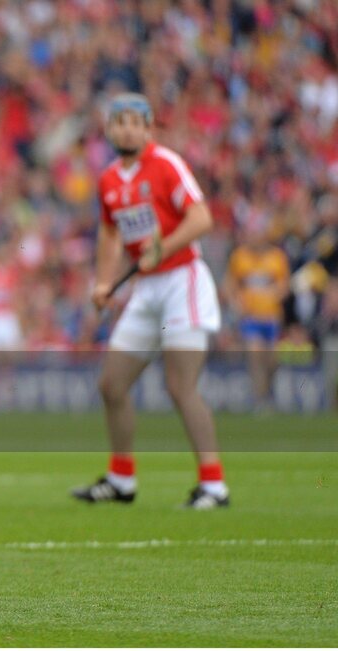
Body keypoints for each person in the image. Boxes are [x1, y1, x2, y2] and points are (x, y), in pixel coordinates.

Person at [72, 93, 229, 510]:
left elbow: (201, 218)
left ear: (148, 128)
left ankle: (213, 485)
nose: (125, 128)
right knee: (112, 384)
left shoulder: (166, 164)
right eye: (117, 121)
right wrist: (104, 282)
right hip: (146, 288)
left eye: (133, 121)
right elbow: (109, 234)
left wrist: (164, 246)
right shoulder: (108, 179)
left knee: (180, 386)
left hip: (183, 281)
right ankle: (121, 479)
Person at [224, 218, 290, 410]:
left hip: (271, 316)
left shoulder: (277, 256)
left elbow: (285, 285)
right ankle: (260, 399)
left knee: (272, 360)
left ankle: (267, 392)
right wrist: (236, 302)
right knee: (255, 354)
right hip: (250, 317)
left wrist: (273, 293)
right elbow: (229, 284)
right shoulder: (240, 256)